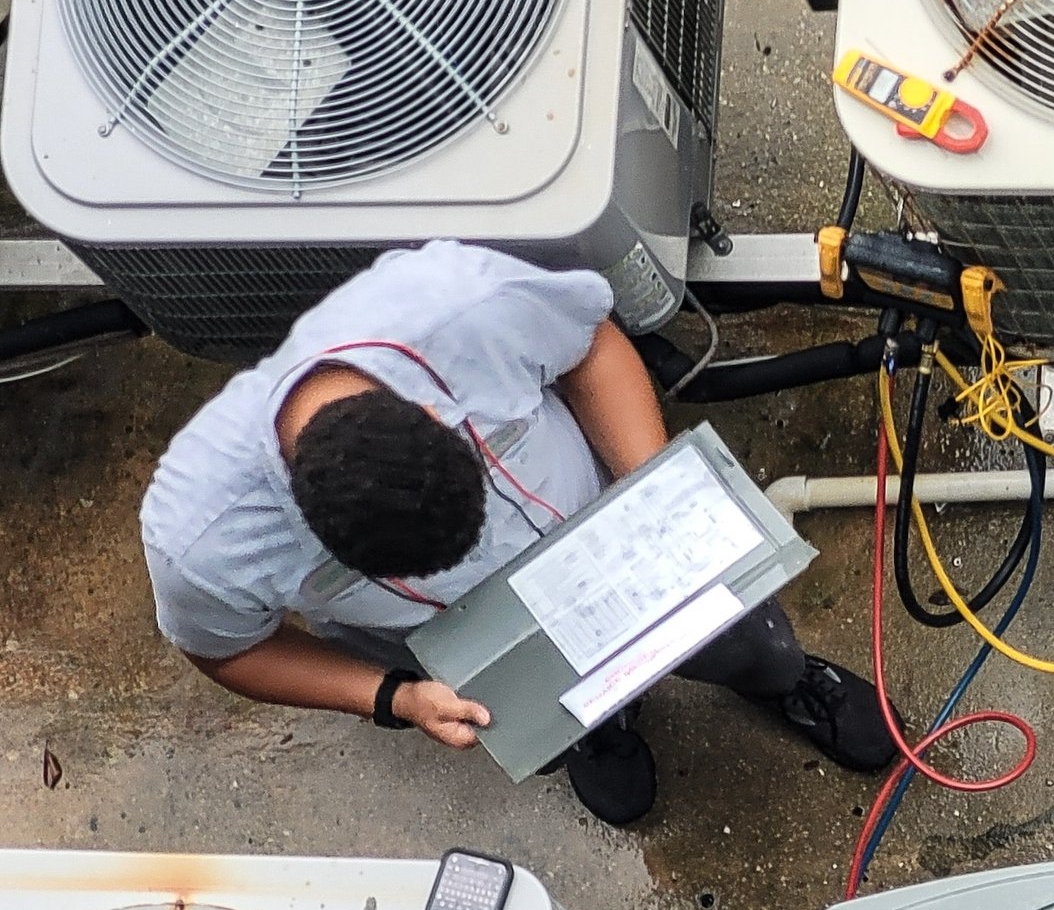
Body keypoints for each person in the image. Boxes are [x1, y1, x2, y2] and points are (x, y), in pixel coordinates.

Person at [140, 241, 897, 824]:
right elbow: (225, 647)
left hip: (609, 531)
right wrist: (394, 697)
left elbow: (590, 348)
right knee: (551, 717)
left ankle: (785, 679)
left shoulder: (458, 302)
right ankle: (597, 730)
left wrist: (660, 495)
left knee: (750, 638)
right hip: (470, 644)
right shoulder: (200, 540)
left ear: (434, 413)